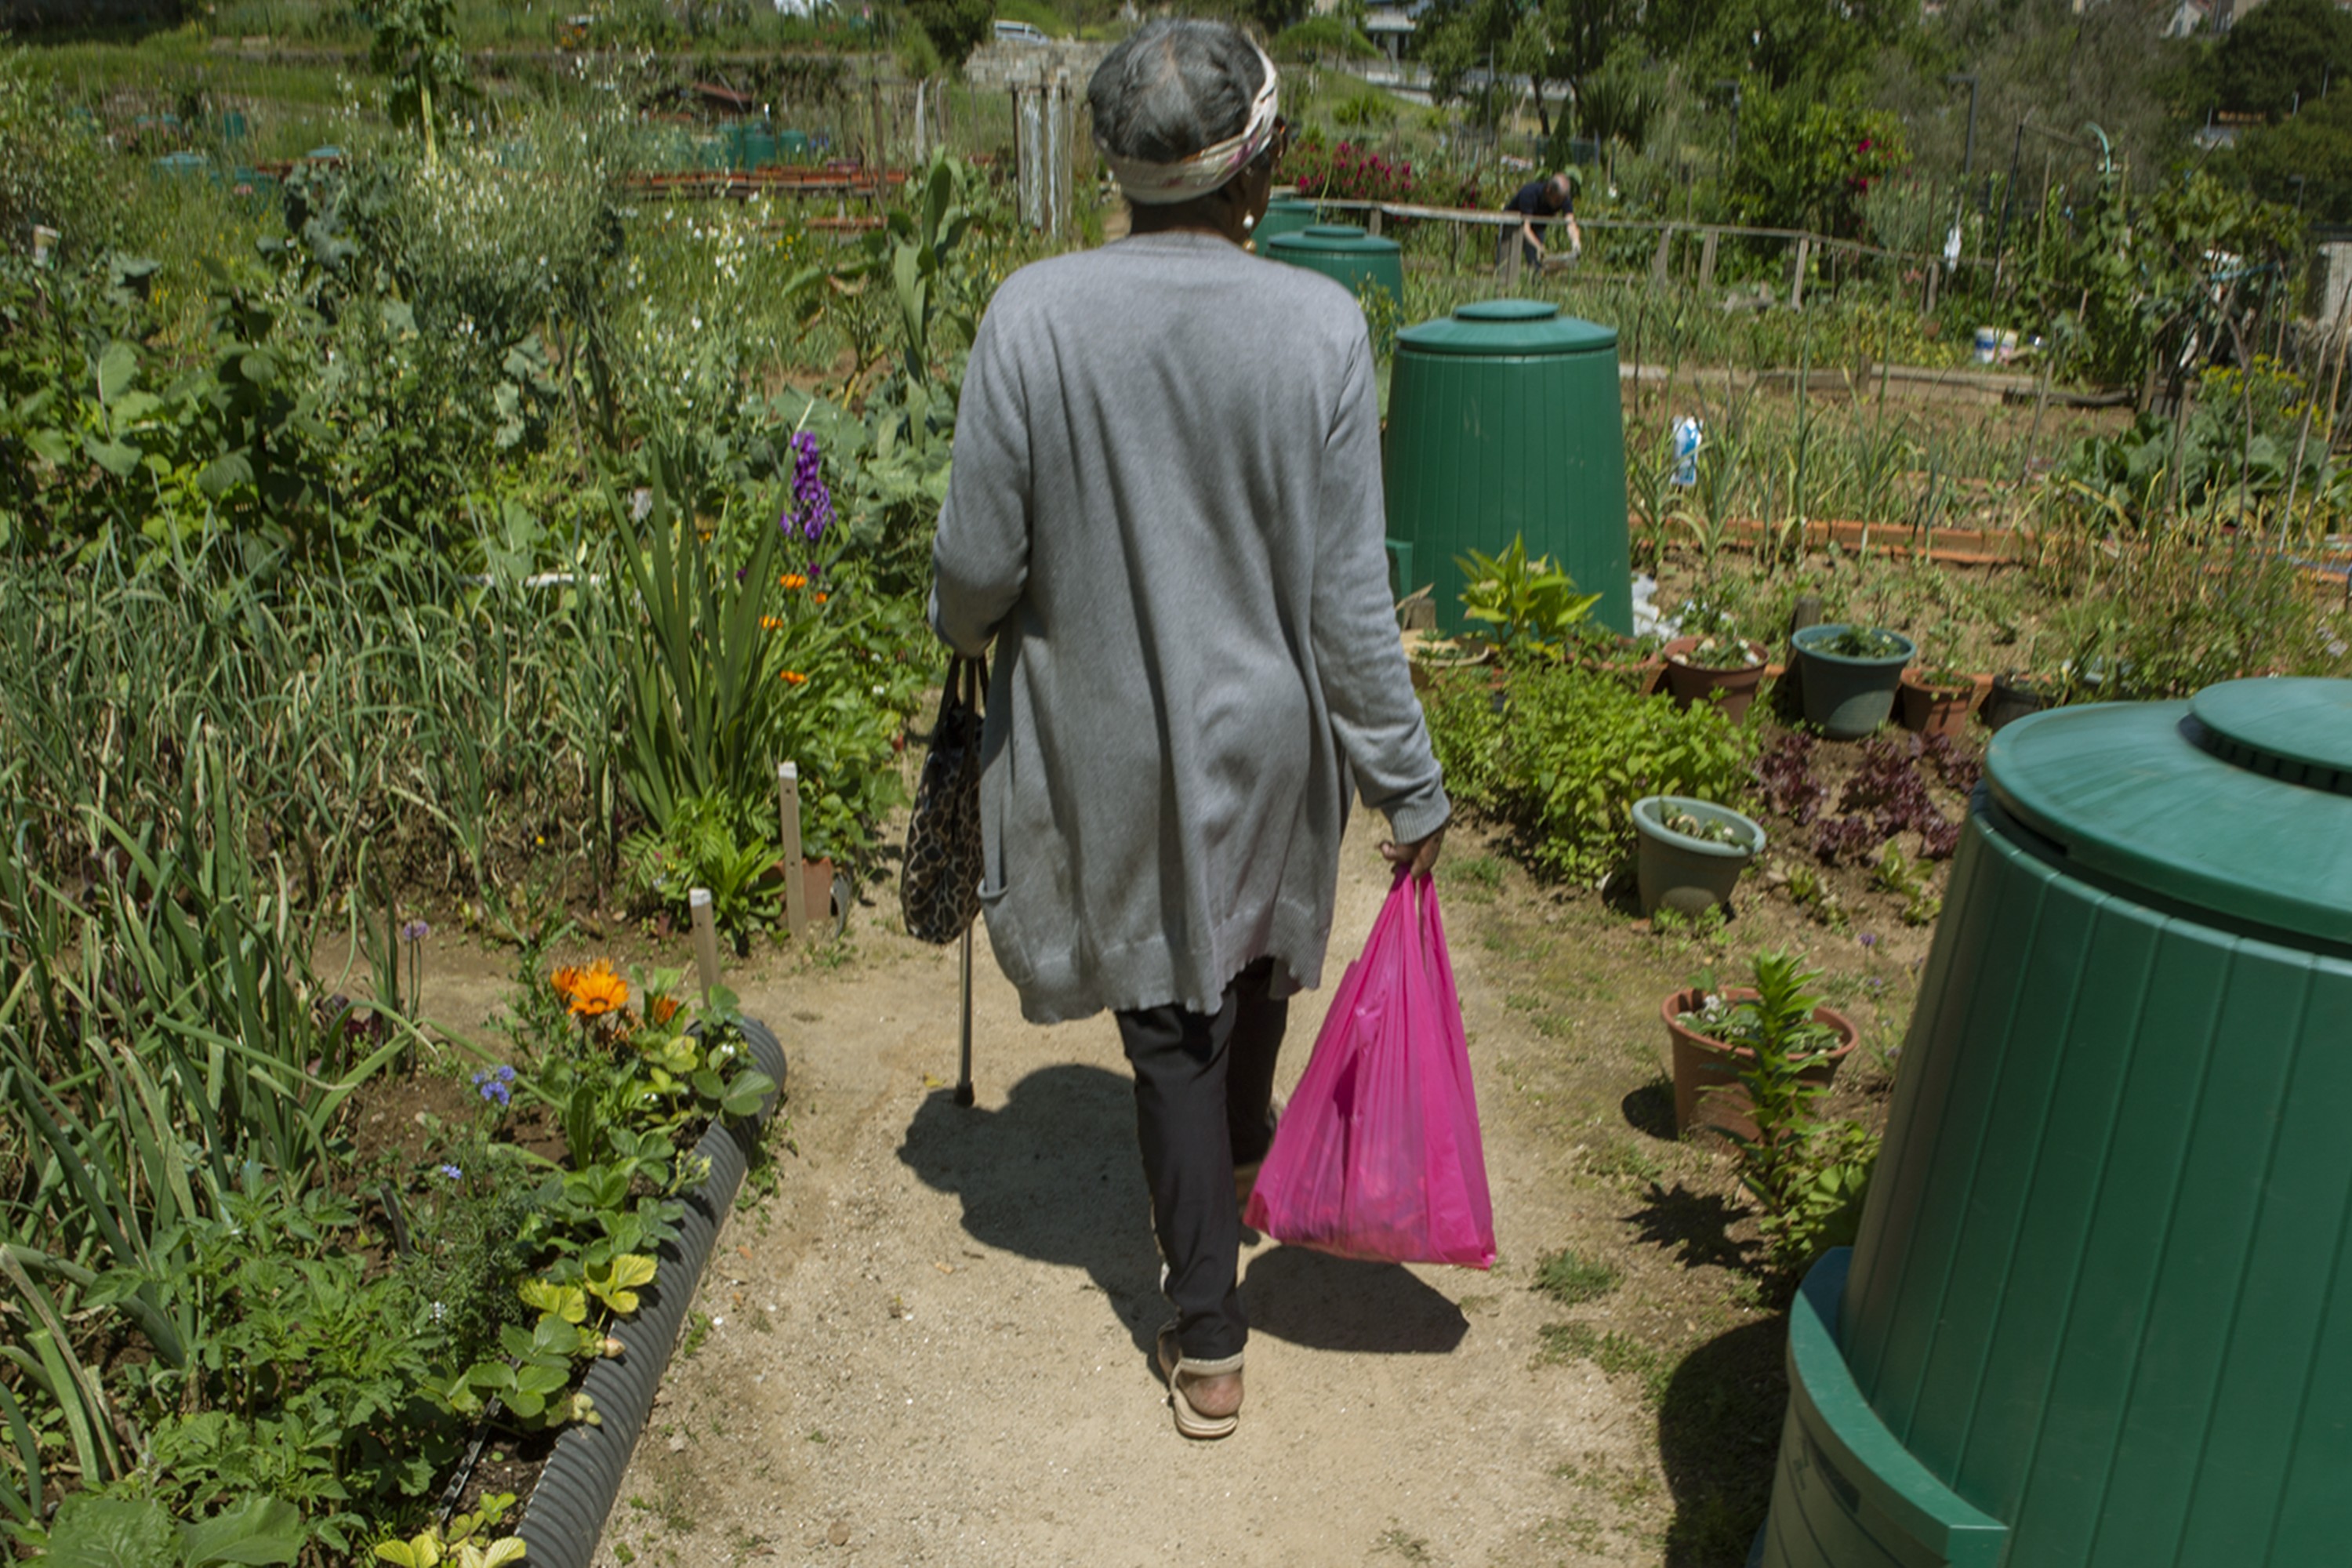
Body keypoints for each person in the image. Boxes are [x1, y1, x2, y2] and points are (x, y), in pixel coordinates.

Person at [927, 17, 1449, 1441]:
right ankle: (1234, 1167)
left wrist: (963, 636)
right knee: (1257, 960)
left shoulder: (1031, 315)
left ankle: (1207, 1339)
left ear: (1121, 168)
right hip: (1282, 750)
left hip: (1116, 744)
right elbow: (1352, 604)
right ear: (1256, 165)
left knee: (1170, 1016)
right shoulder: (1323, 328)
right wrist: (1410, 782)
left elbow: (977, 564)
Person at [1497, 169, 1580, 270]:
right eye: (1557, 200)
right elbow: (1525, 228)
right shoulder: (1529, 194)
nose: (1560, 203)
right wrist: (1540, 247)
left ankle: (1536, 283)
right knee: (1506, 267)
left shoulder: (1563, 198)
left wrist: (1575, 242)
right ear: (1548, 190)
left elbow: (1570, 223)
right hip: (1513, 227)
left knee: (1537, 267)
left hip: (1537, 229)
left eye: (1562, 200)